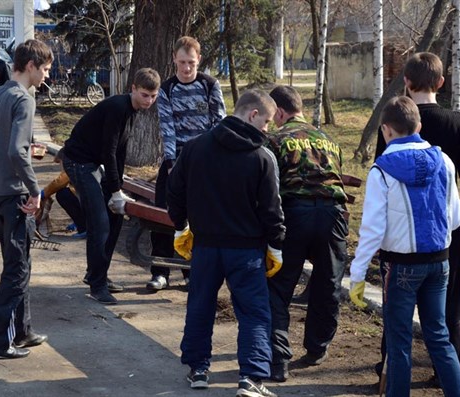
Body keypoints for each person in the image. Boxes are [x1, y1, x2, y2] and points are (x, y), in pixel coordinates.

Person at [166, 90, 284, 397]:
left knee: (200, 306)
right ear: (252, 115)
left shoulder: (194, 148)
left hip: (205, 247)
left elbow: (174, 192)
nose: (267, 130)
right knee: (255, 313)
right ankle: (252, 378)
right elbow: (271, 209)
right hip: (246, 251)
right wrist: (276, 244)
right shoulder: (261, 157)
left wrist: (181, 227)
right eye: (267, 122)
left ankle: (198, 370)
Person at [349, 96, 460, 397]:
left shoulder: (381, 170)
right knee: (439, 336)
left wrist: (358, 274)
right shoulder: (445, 161)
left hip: (400, 266)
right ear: (420, 125)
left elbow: (373, 229)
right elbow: (456, 216)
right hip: (440, 262)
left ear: (386, 130)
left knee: (398, 342)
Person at [373, 52, 460, 381]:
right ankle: (447, 373)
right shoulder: (459, 124)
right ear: (441, 82)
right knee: (447, 312)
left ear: (406, 82)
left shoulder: (392, 123)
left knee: (395, 313)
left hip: (399, 236)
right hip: (445, 233)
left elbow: (380, 180)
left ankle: (388, 372)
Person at [0, 39, 53, 360]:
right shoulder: (23, 99)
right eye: (44, 69)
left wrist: (10, 156)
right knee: (17, 270)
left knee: (20, 263)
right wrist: (35, 190)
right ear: (30, 65)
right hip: (15, 194)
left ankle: (22, 329)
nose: (45, 76)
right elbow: (16, 150)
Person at [264, 85, 348, 382]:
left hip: (295, 214)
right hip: (333, 214)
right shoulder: (329, 139)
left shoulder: (274, 140)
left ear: (280, 112)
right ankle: (317, 347)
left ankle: (278, 357)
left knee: (278, 284)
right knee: (328, 282)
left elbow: (268, 185)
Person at [62, 67, 161, 305]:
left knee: (116, 217)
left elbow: (120, 150)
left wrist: (119, 184)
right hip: (79, 162)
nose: (149, 100)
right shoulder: (118, 108)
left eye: (153, 96)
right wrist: (115, 190)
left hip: (95, 163)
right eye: (145, 94)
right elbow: (108, 150)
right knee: (100, 222)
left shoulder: (133, 111)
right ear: (133, 89)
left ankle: (98, 275)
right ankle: (97, 285)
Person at [147, 36, 226, 292]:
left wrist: (212, 160)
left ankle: (192, 272)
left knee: (198, 218)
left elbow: (219, 123)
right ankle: (160, 272)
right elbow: (167, 129)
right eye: (181, 62)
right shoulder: (167, 89)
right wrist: (170, 164)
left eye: (191, 62)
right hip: (176, 158)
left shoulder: (209, 85)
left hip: (204, 161)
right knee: (164, 212)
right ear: (174, 60)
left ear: (198, 60)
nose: (186, 68)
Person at [37, 148, 86, 239]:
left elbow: (59, 182)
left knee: (63, 195)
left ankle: (84, 228)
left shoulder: (72, 166)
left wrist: (43, 193)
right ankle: (81, 224)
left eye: (60, 162)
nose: (60, 166)